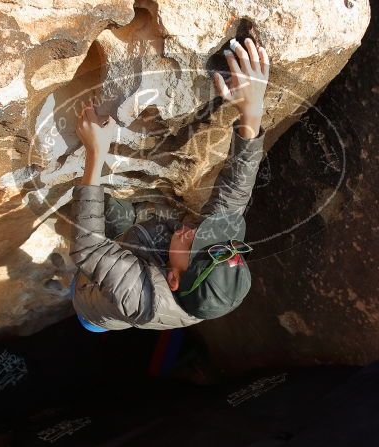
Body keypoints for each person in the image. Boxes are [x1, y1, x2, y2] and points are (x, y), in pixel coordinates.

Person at [69, 37, 270, 331]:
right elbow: (234, 193)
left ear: (173, 279)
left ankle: (74, 297)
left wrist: (95, 152)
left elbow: (88, 250)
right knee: (119, 211)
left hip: (93, 299)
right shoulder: (202, 267)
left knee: (111, 213)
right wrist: (252, 112)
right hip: (147, 252)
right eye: (211, 236)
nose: (195, 230)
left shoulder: (140, 298)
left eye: (193, 243)